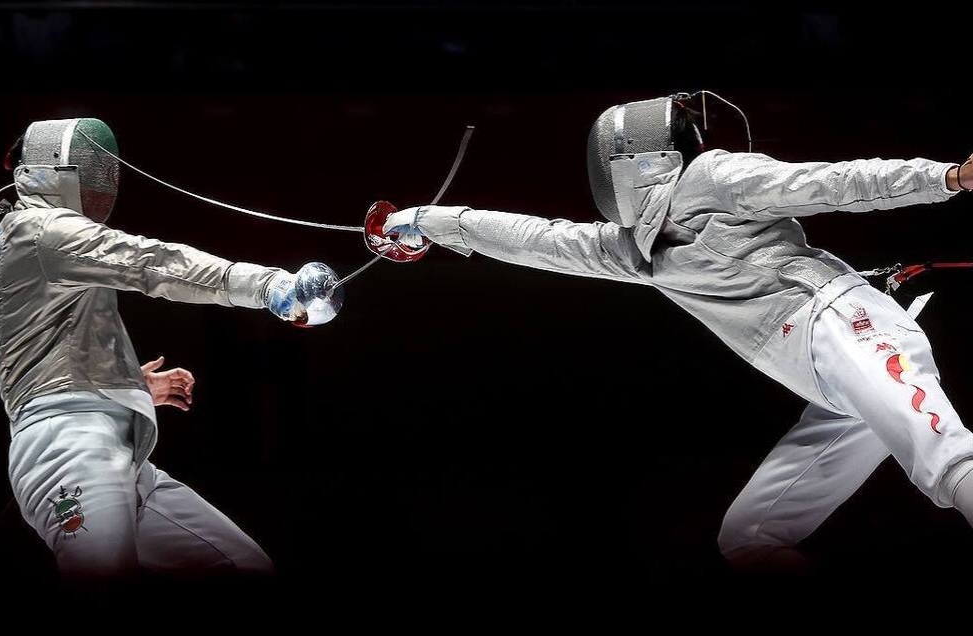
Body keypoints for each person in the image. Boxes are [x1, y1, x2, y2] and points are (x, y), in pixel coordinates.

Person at [382, 93, 973, 570]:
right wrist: (428, 222)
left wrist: (948, 177)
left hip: (845, 328)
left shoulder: (716, 176)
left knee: (947, 460)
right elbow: (536, 239)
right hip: (829, 385)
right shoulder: (632, 251)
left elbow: (832, 183)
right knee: (750, 538)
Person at [0, 118, 331, 578]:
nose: (104, 182)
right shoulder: (39, 229)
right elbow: (152, 262)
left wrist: (132, 384)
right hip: (66, 445)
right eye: (93, 169)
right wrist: (267, 286)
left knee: (243, 566)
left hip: (117, 452)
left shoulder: (45, 240)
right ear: (58, 172)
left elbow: (51, 346)